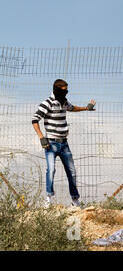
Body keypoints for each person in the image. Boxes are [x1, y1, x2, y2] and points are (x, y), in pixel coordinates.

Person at [32, 79, 96, 208]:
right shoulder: (47, 103)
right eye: (63, 90)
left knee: (71, 171)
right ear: (56, 90)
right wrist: (41, 138)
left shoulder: (64, 102)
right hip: (51, 143)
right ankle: (48, 199)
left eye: (67, 90)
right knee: (51, 170)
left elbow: (72, 108)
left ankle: (75, 200)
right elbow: (34, 120)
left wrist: (86, 108)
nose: (65, 92)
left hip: (64, 144)